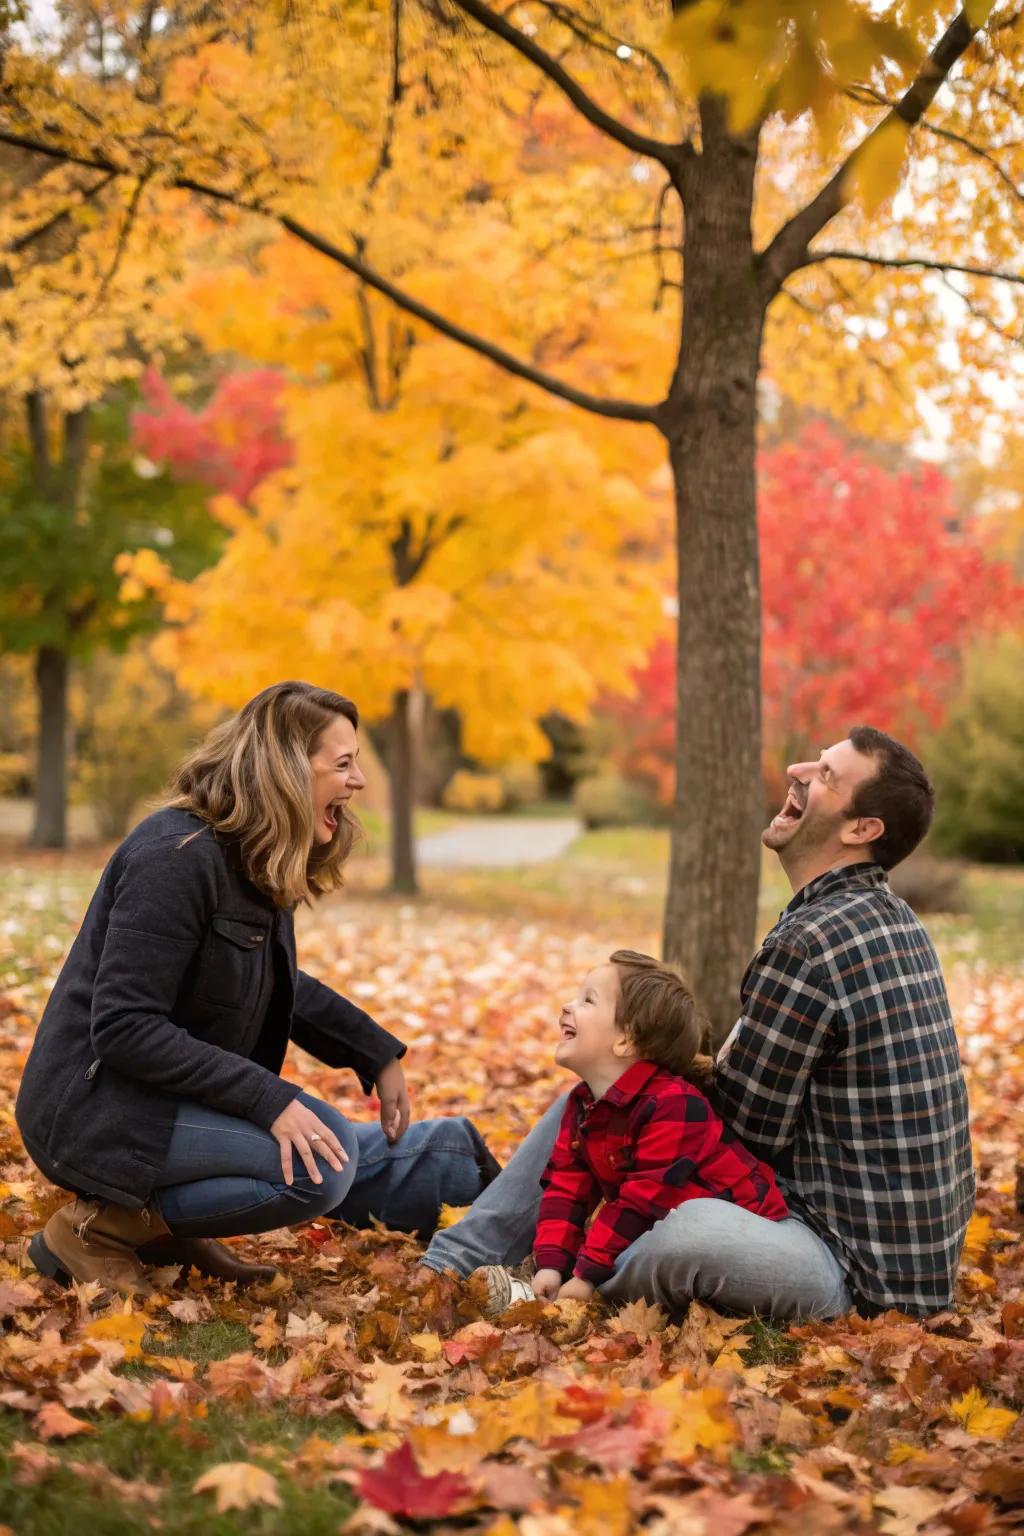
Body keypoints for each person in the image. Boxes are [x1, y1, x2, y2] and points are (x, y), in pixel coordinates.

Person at [419, 727, 975, 1321]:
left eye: (827, 775)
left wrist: (633, 1063)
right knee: (608, 1086)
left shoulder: (811, 942)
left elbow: (746, 1125)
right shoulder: (891, 917)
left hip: (849, 1270)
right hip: (909, 1265)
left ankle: (555, 1292)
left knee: (679, 1209)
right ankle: (477, 1262)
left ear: (862, 830)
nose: (798, 769)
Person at [17, 682, 498, 1295]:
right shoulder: (175, 856)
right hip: (95, 1107)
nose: (358, 782)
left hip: (157, 1096)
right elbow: (123, 1026)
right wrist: (268, 1099)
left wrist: (373, 1049)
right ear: (286, 769)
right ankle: (98, 1230)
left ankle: (166, 1227)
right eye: (342, 764)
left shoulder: (248, 852)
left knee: (325, 1148)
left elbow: (273, 981)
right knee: (323, 1169)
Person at [475, 950, 787, 1317]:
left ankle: (585, 1295)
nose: (567, 1006)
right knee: (618, 1249)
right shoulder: (583, 1104)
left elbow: (641, 1201)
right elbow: (567, 1187)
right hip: (660, 1233)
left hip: (738, 1239)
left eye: (587, 1000)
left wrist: (586, 1273)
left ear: (627, 1040)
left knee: (634, 1255)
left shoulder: (675, 1106)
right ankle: (542, 1288)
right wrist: (552, 1263)